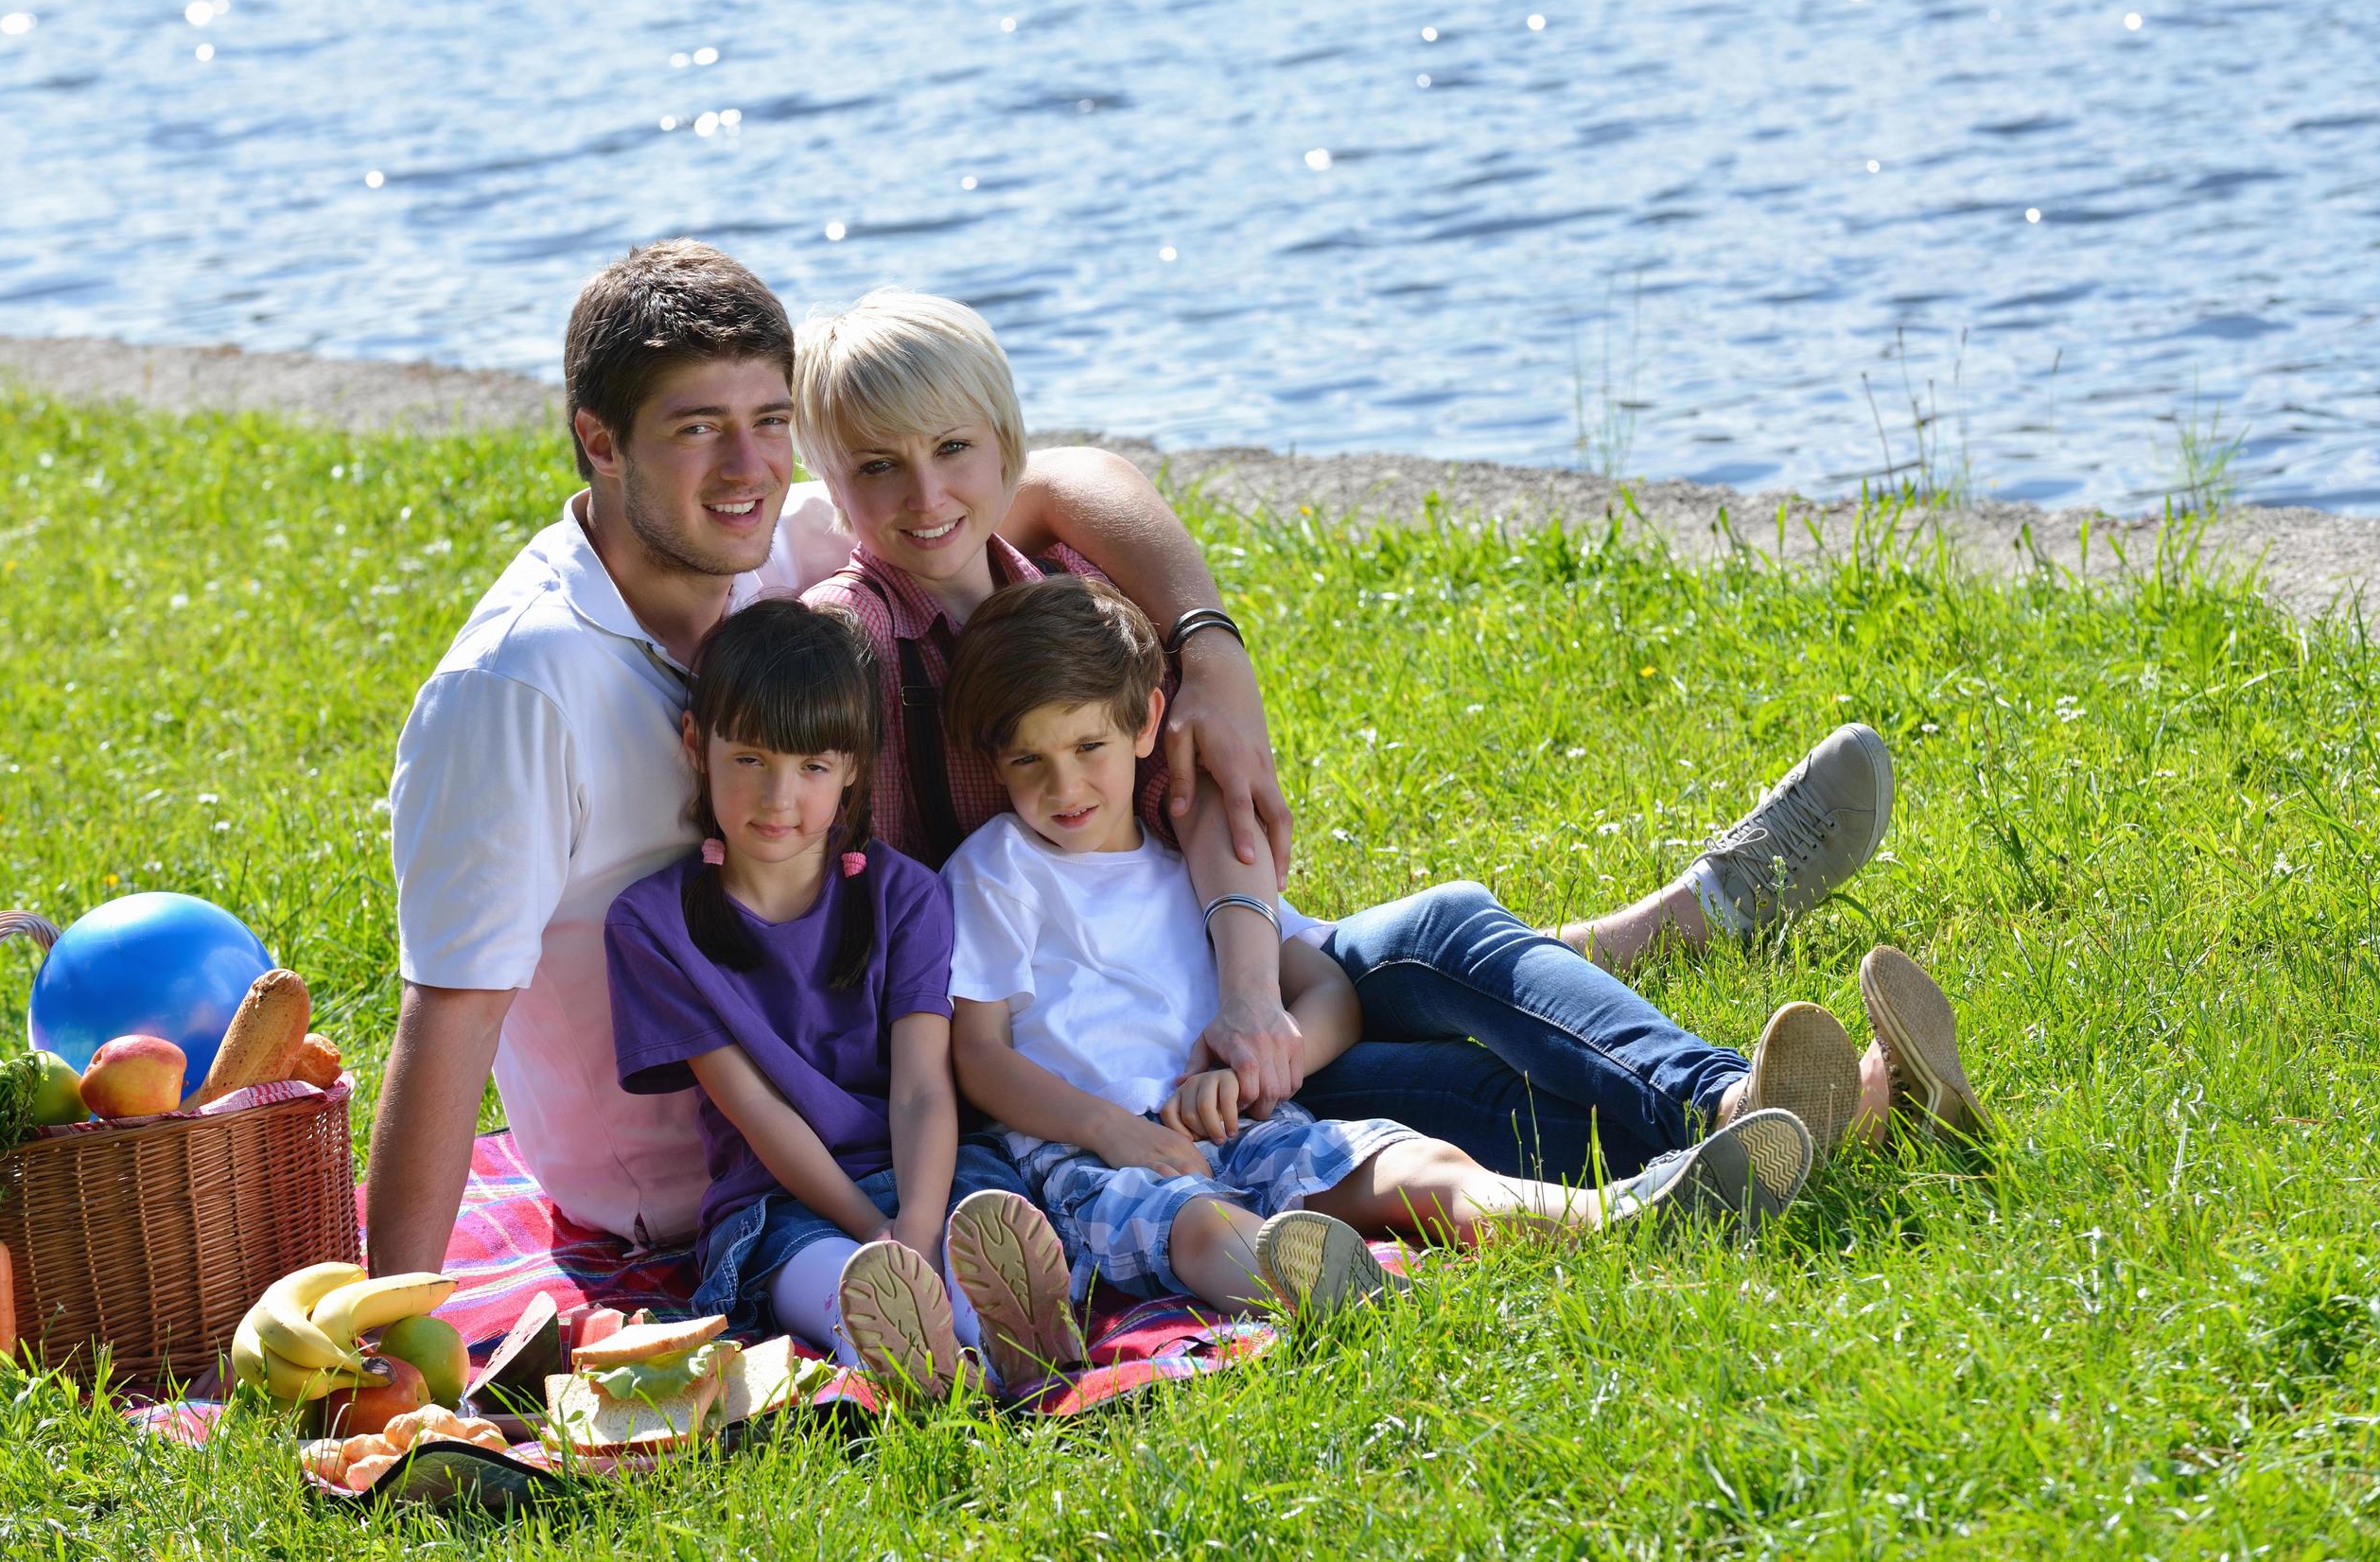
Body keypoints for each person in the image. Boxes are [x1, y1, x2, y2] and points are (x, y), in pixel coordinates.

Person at [792, 289, 1983, 1186]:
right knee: (1454, 1077)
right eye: (879, 468)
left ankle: (1748, 1103)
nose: (925, 493)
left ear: (1002, 449)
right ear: (831, 490)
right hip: (1124, 1059)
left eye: (954, 452)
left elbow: (1199, 787)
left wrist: (1255, 993)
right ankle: (1778, 1114)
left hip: (1218, 981)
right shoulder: (847, 646)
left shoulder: (1053, 580)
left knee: (1446, 929)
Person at [368, 241, 1296, 1272]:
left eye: (769, 422)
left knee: (1404, 963)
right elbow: (446, 1012)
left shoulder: (752, 535)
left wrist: (1209, 644)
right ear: (601, 442)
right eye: (696, 429)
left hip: (912, 1096)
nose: (747, 466)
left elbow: (1067, 475)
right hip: (709, 1181)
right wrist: (393, 1333)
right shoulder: (514, 690)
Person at [938, 575, 1826, 1312]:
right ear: (994, 763)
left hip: (1246, 1120)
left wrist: (1267, 1064)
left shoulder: (1185, 869)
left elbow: (1327, 992)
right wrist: (1105, 1128)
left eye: (1088, 745)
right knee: (1202, 1228)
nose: (1064, 786)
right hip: (1086, 1154)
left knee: (1420, 1164)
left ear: (1144, 723)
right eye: (1027, 761)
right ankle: (1339, 1294)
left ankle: (1608, 1214)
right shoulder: (996, 871)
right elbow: (976, 1057)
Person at [600, 600, 1084, 1397]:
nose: (778, 798)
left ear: (854, 768)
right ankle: (893, 1338)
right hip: (777, 1193)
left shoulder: (907, 896)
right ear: (697, 744)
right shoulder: (651, 925)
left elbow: (924, 1088)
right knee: (820, 1269)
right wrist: (878, 1239)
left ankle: (1005, 1342)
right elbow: (761, 1115)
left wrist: (918, 1226)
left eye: (813, 767)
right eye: (750, 758)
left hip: (933, 1172)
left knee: (975, 1231)